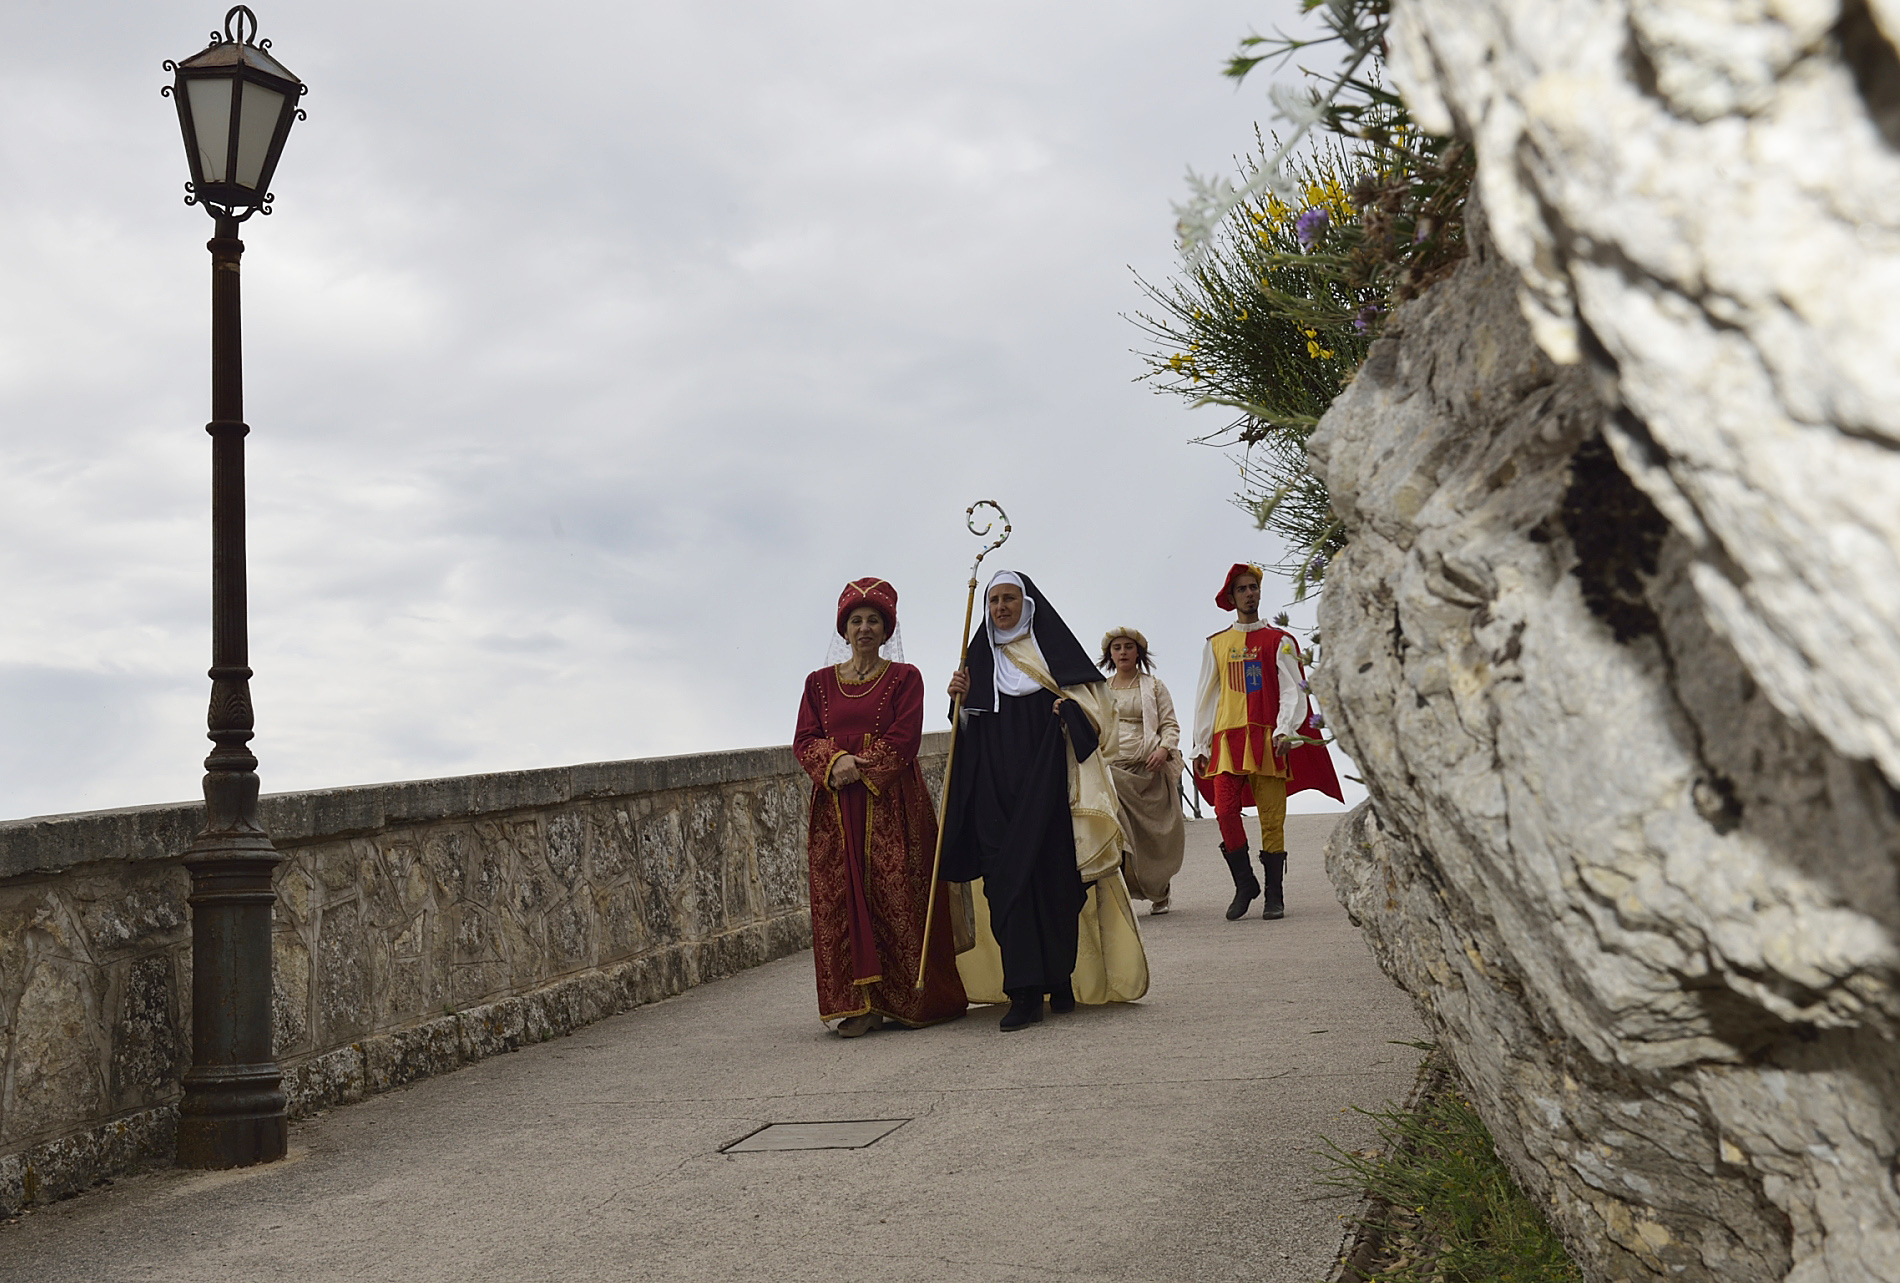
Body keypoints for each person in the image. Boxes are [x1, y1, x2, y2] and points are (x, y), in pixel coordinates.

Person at [941, 571, 1149, 1031]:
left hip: (1050, 784)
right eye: (993, 600)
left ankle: (1058, 978)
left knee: (1056, 885)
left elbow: (1100, 716)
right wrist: (958, 699)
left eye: (1009, 598)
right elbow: (964, 733)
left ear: (1028, 604)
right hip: (994, 793)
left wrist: (1068, 711)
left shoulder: (1051, 656)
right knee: (1004, 886)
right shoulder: (978, 662)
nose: (1000, 607)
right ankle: (1024, 991)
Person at [793, 577, 966, 1036]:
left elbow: (905, 737)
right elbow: (805, 738)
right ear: (844, 629)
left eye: (873, 621)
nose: (864, 628)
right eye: (856, 620)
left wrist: (860, 766)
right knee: (840, 900)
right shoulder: (818, 684)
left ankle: (909, 999)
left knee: (896, 894)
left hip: (891, 806)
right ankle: (858, 1004)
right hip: (834, 810)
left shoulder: (905, 679)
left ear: (886, 630)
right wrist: (834, 763)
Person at [1191, 563, 1342, 921]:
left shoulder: (1280, 641)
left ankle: (1275, 894)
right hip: (1228, 740)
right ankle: (1245, 883)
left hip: (1268, 739)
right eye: (1242, 589)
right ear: (1232, 597)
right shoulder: (1216, 645)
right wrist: (1201, 744)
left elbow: (1292, 690)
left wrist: (1285, 730)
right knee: (1225, 811)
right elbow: (1205, 697)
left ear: (1259, 593)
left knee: (1272, 819)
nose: (1249, 594)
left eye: (1253, 588)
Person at [1097, 627, 1186, 915]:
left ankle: (1159, 891)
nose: (1122, 652)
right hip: (1112, 771)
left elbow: (1170, 724)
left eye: (1128, 647)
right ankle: (1120, 893)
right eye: (1117, 648)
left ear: (1138, 652)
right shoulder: (1101, 689)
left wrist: (1164, 749)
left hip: (1148, 771)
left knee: (1153, 838)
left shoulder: (1154, 687)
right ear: (1110, 654)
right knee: (1119, 836)